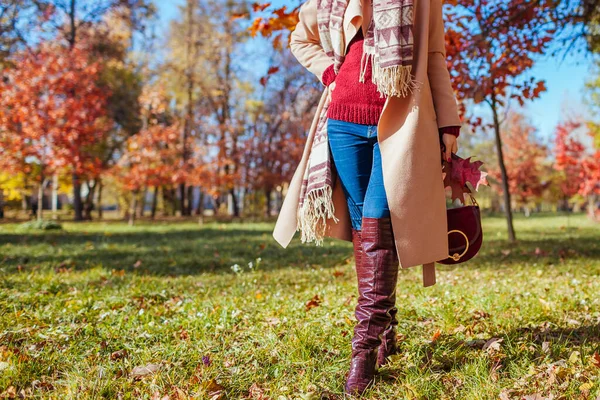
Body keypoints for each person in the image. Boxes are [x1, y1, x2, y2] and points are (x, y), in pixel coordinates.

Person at [273, 0, 462, 395]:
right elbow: (300, 38)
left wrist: (448, 122)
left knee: (378, 223)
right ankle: (385, 330)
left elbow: (433, 56)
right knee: (365, 229)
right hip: (342, 122)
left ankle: (362, 351)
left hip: (400, 123)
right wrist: (330, 71)